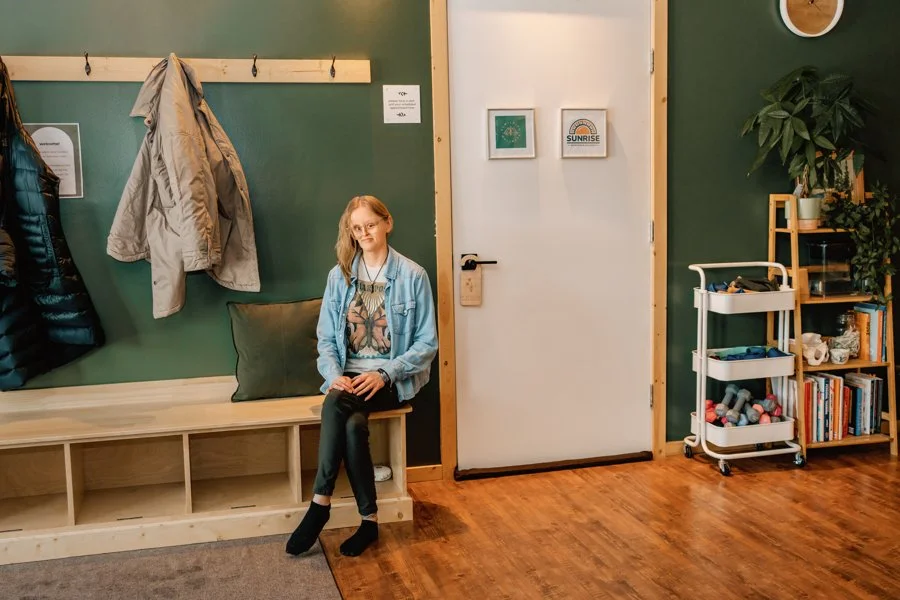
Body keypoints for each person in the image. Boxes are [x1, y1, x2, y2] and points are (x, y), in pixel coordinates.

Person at [286, 195, 438, 558]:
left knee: (337, 402)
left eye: (370, 224)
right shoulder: (340, 276)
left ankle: (319, 504)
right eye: (357, 228)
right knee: (353, 425)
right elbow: (325, 338)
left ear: (387, 223)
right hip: (348, 379)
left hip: (392, 380)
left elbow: (427, 342)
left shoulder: (413, 275)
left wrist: (385, 373)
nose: (364, 232)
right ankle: (369, 522)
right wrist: (334, 374)